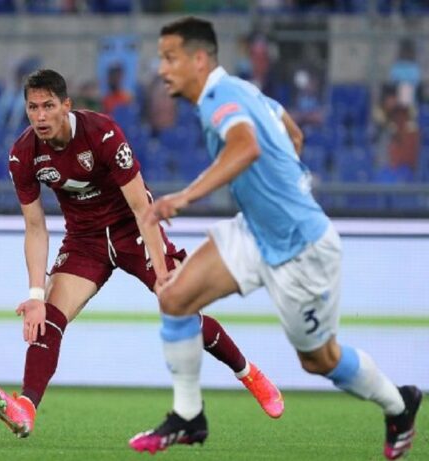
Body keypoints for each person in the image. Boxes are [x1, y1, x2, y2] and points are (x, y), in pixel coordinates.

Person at [129, 18, 422, 459]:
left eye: (170, 58)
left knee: (320, 360)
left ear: (199, 59)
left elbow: (246, 146)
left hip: (302, 249)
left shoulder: (220, 98)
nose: (162, 68)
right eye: (161, 58)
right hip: (256, 230)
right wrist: (281, 187)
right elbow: (293, 134)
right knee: (174, 298)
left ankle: (399, 404)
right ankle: (189, 416)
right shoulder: (245, 91)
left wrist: (184, 197)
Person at [0, 69, 283, 439]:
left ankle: (249, 373)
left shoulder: (102, 133)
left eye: (48, 106)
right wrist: (35, 295)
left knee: (181, 308)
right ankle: (25, 408)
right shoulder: (23, 154)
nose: (40, 116)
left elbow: (142, 208)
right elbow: (35, 226)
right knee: (49, 317)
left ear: (66, 105)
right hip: (85, 240)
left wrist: (163, 274)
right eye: (33, 107)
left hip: (133, 230)